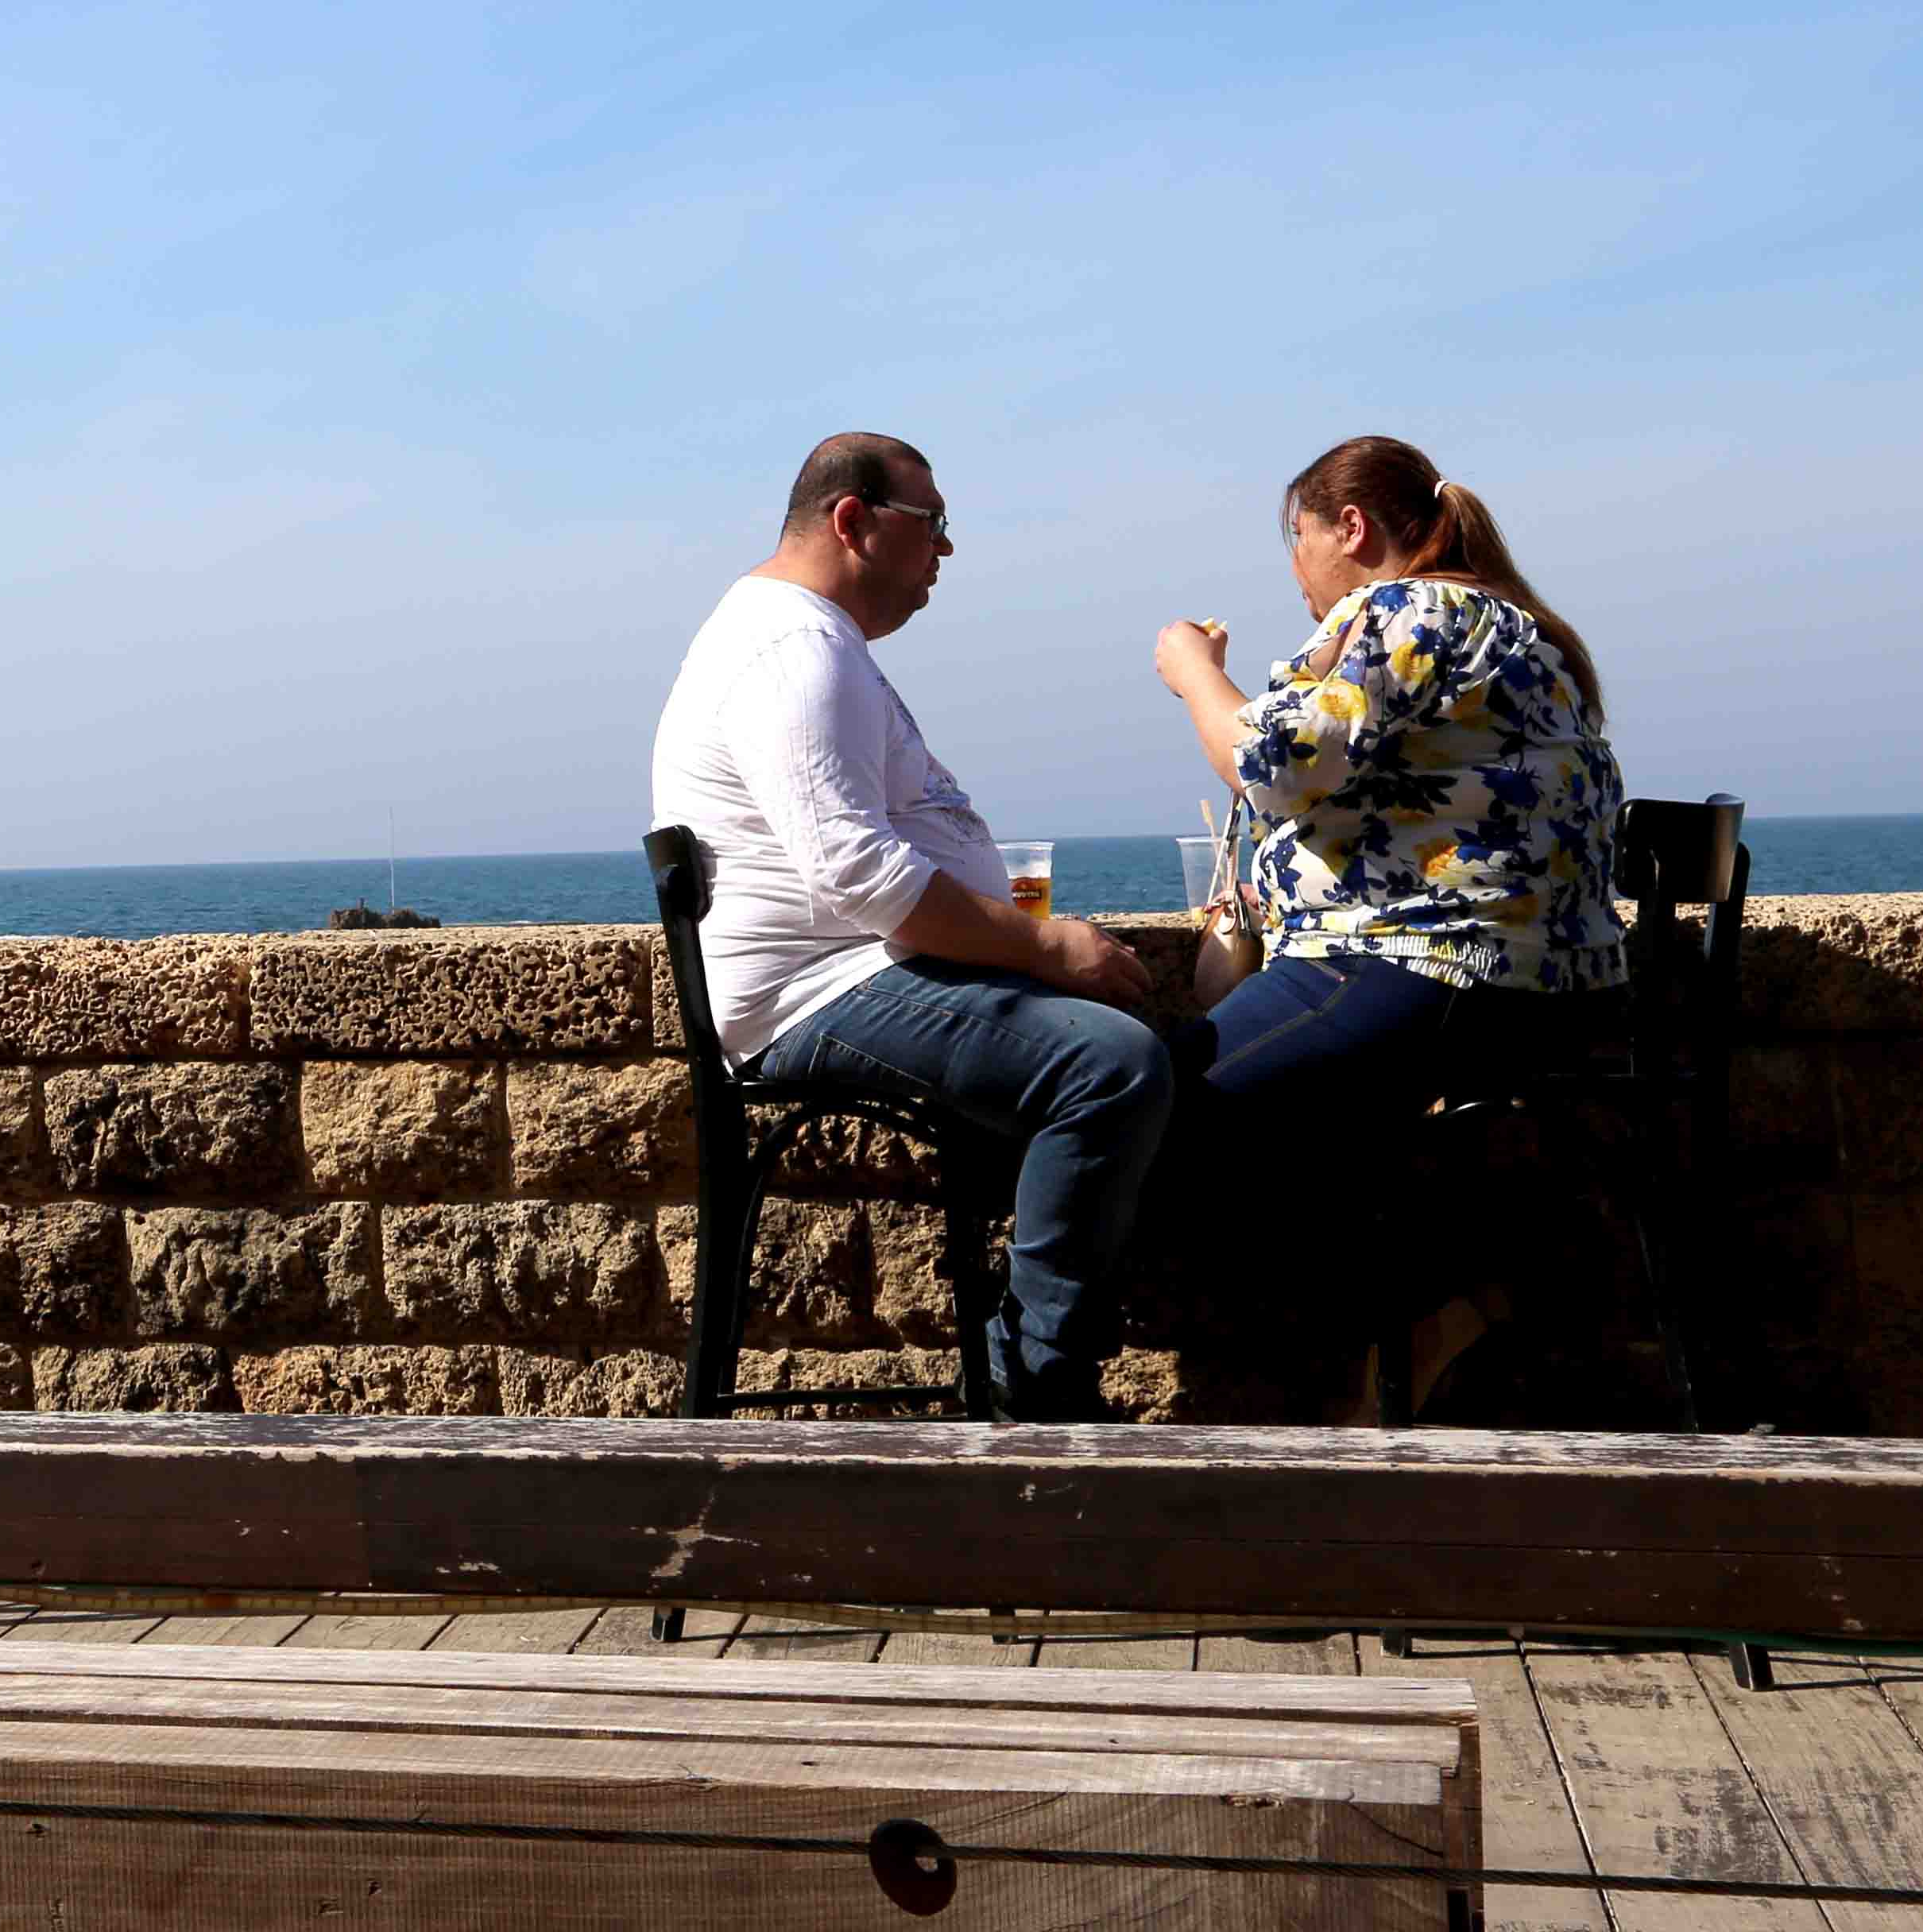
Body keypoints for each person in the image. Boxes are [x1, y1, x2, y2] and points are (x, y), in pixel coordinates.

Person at [650, 433, 1171, 1419]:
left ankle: (1031, 1353)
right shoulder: (793, 650)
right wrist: (1047, 944)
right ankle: (1035, 1385)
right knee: (1108, 1066)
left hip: (849, 971)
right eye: (932, 524)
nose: (946, 549)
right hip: (817, 991)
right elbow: (860, 876)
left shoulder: (805, 638)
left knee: (1135, 1052)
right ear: (854, 521)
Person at [1148, 436, 1625, 1404]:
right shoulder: (1524, 627)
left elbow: (1272, 764)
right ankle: (1413, 1333)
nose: (1296, 567)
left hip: (1421, 972)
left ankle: (1428, 1320)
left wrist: (1193, 672)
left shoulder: (1412, 608)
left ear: (1351, 528)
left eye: (1298, 538)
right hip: (1548, 994)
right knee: (1323, 1146)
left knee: (1142, 1114)